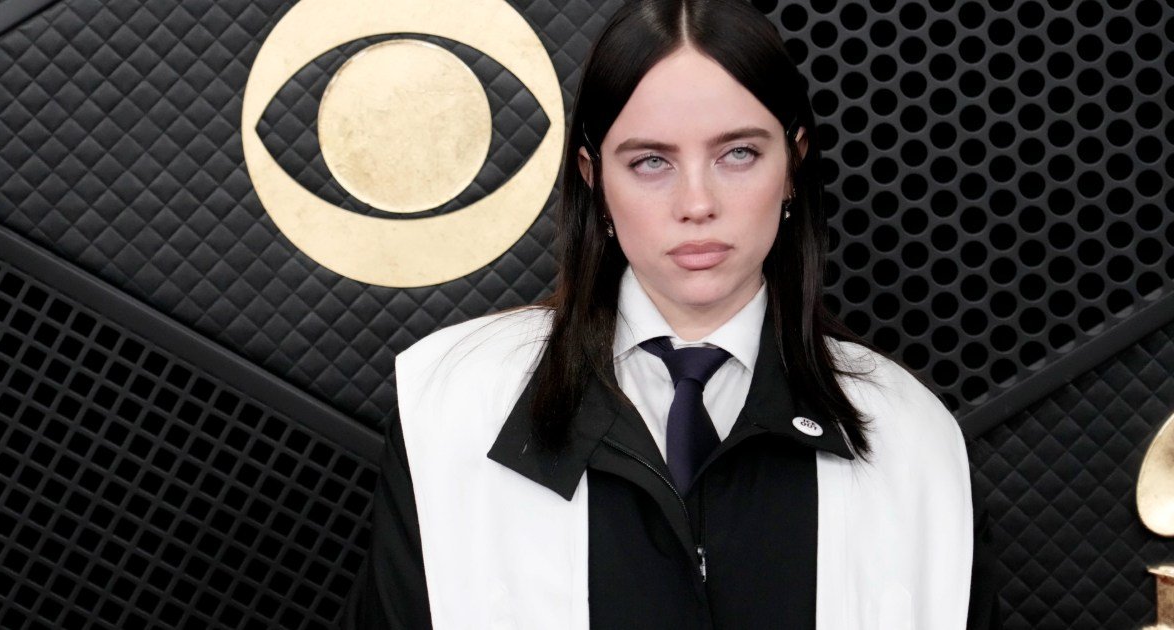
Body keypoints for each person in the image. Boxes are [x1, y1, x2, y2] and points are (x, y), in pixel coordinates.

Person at [342, 0, 1001, 627]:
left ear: (793, 165)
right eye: (651, 161)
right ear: (594, 177)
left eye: (738, 154)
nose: (696, 203)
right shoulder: (452, 406)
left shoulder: (909, 438)